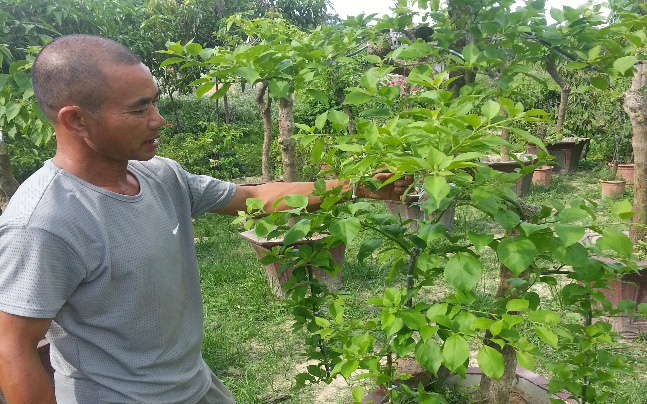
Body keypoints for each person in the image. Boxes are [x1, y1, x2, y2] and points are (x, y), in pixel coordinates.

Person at [0, 35, 410, 404]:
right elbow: (13, 348)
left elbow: (254, 197)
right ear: (76, 120)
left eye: (154, 102)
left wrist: (358, 188)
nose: (159, 119)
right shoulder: (44, 222)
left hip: (193, 384)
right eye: (140, 109)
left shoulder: (159, 175)